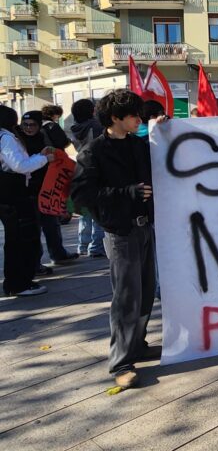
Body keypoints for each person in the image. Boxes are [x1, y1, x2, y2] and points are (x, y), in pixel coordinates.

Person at [71, 90, 160, 388]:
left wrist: (167, 128)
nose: (139, 119)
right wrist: (127, 194)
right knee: (125, 297)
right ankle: (121, 362)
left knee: (146, 291)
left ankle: (138, 344)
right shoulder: (93, 151)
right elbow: (81, 196)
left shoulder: (139, 144)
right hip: (120, 233)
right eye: (134, 115)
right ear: (115, 119)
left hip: (146, 227)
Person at [1, 105, 55, 296]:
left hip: (8, 194)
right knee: (20, 239)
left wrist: (39, 156)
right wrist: (44, 159)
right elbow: (19, 165)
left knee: (17, 239)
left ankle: (19, 280)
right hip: (13, 195)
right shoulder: (5, 138)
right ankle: (19, 283)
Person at [16, 111, 78, 273]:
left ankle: (58, 254)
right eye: (25, 125)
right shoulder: (18, 141)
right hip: (28, 191)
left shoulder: (44, 137)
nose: (29, 128)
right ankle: (35, 263)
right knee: (33, 229)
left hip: (47, 188)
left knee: (51, 224)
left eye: (33, 125)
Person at [69, 99, 106, 258]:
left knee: (85, 212)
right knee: (99, 211)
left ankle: (82, 245)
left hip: (79, 169)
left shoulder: (73, 128)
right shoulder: (96, 126)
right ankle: (96, 247)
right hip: (95, 169)